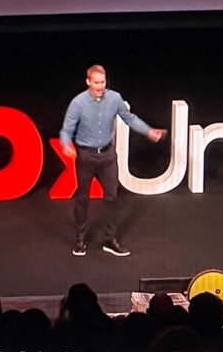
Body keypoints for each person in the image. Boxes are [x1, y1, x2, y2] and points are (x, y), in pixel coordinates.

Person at [60, 65, 165, 257]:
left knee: (112, 198)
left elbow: (130, 118)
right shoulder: (78, 103)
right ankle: (80, 237)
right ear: (88, 82)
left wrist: (148, 131)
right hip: (86, 156)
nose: (100, 86)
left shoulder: (115, 98)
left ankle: (110, 239)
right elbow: (67, 129)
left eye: (102, 82)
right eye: (96, 82)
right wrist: (66, 144)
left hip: (107, 155)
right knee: (82, 198)